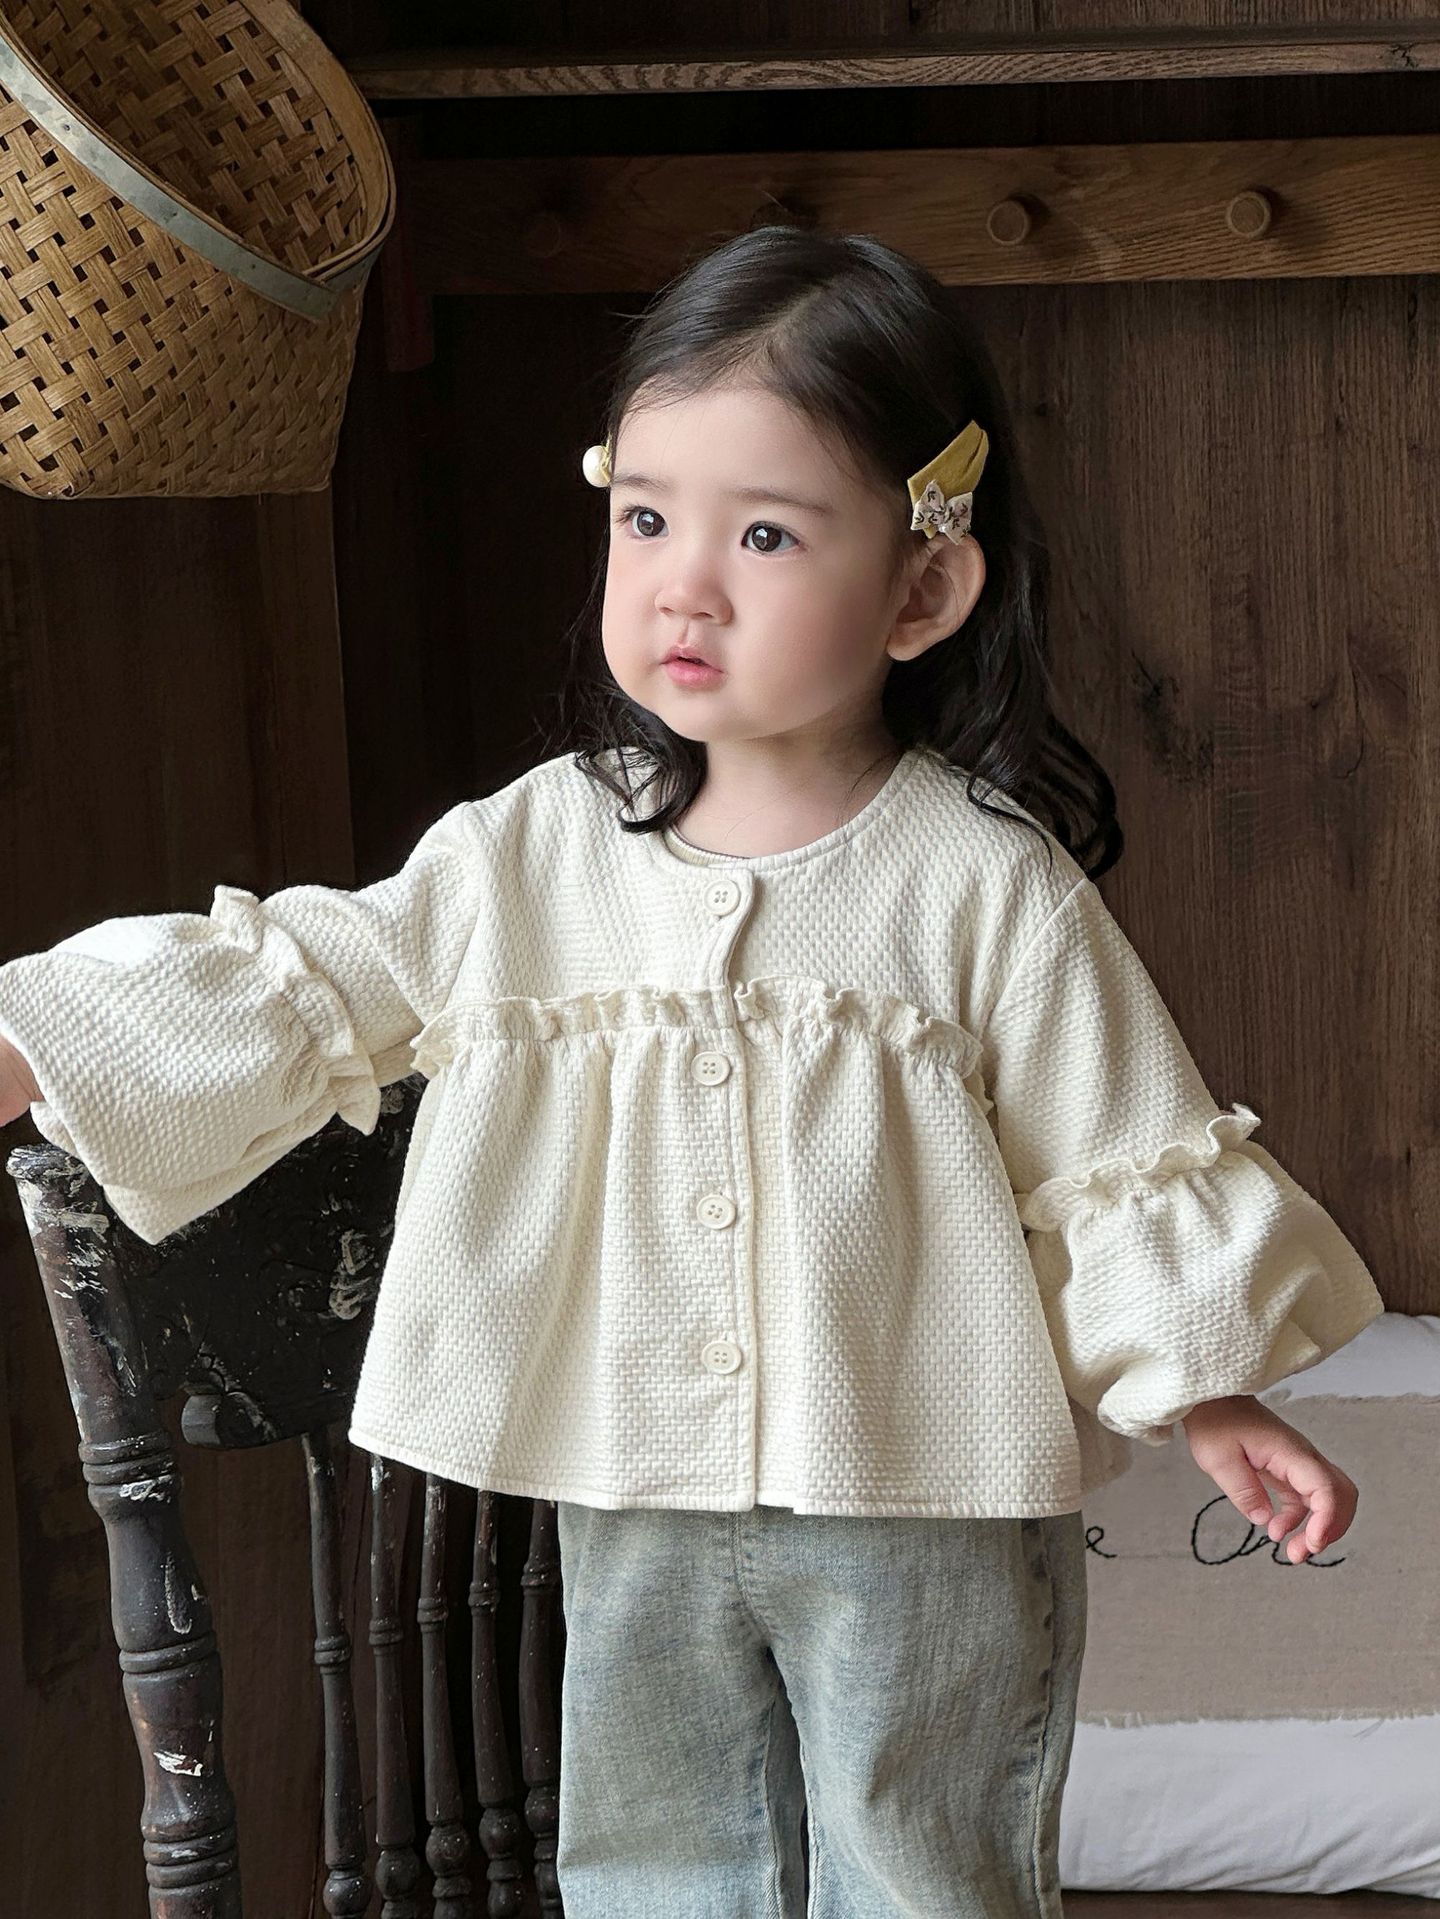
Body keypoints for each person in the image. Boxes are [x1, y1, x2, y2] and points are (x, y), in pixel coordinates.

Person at [0, 226, 1383, 1918]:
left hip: (923, 1494)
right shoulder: (534, 852)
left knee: (923, 1862)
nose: (684, 585)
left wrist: (1212, 1398)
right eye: (646, 518)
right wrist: (45, 1037)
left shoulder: (983, 886)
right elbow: (317, 975)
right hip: (631, 1485)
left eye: (767, 534)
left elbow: (1113, 1157)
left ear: (924, 589)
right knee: (654, 1859)